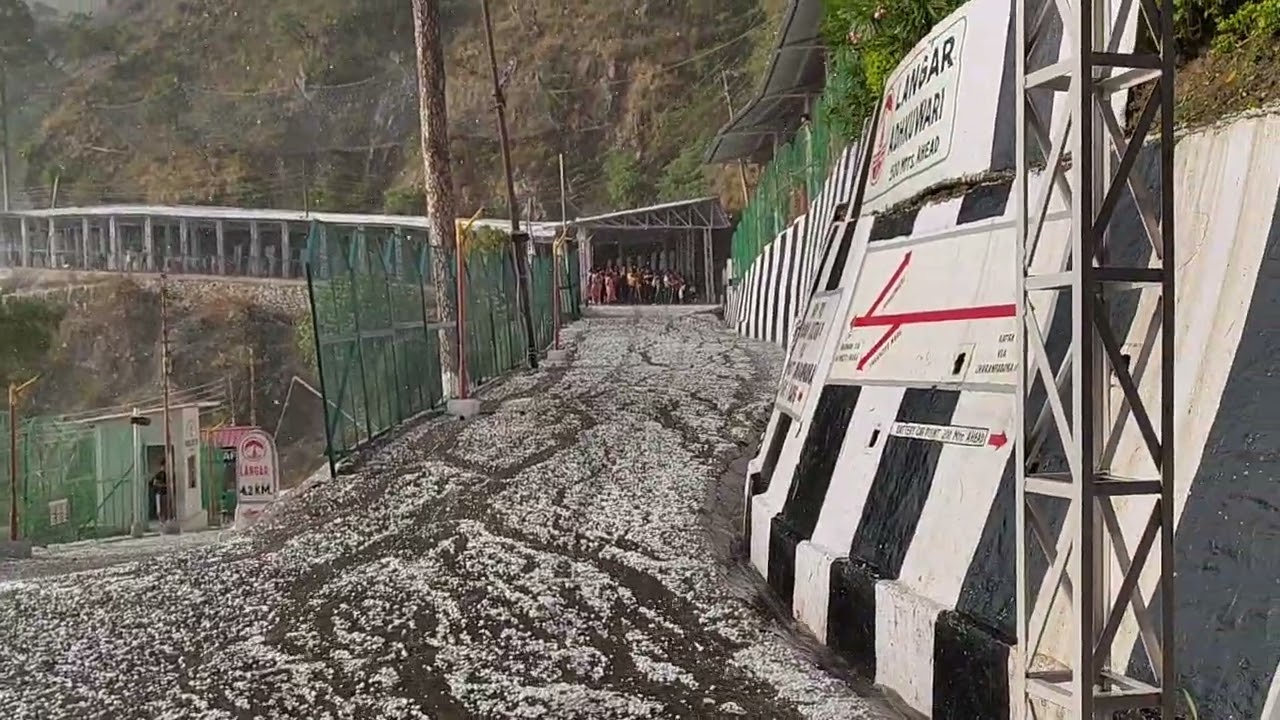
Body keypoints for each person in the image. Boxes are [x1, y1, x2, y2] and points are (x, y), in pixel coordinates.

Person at [148, 457, 170, 523]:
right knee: (160, 508)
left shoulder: (165, 474)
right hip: (160, 493)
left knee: (163, 508)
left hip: (163, 493)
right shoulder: (160, 474)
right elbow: (153, 483)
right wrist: (163, 485)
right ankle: (162, 520)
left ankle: (163, 520)